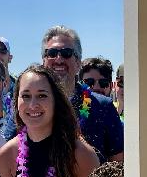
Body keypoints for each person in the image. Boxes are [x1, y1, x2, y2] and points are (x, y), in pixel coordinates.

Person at [40, 25, 123, 163]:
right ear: (43, 61)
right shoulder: (30, 107)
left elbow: (118, 162)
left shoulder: (102, 106)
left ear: (78, 62)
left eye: (66, 53)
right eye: (52, 53)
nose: (59, 59)